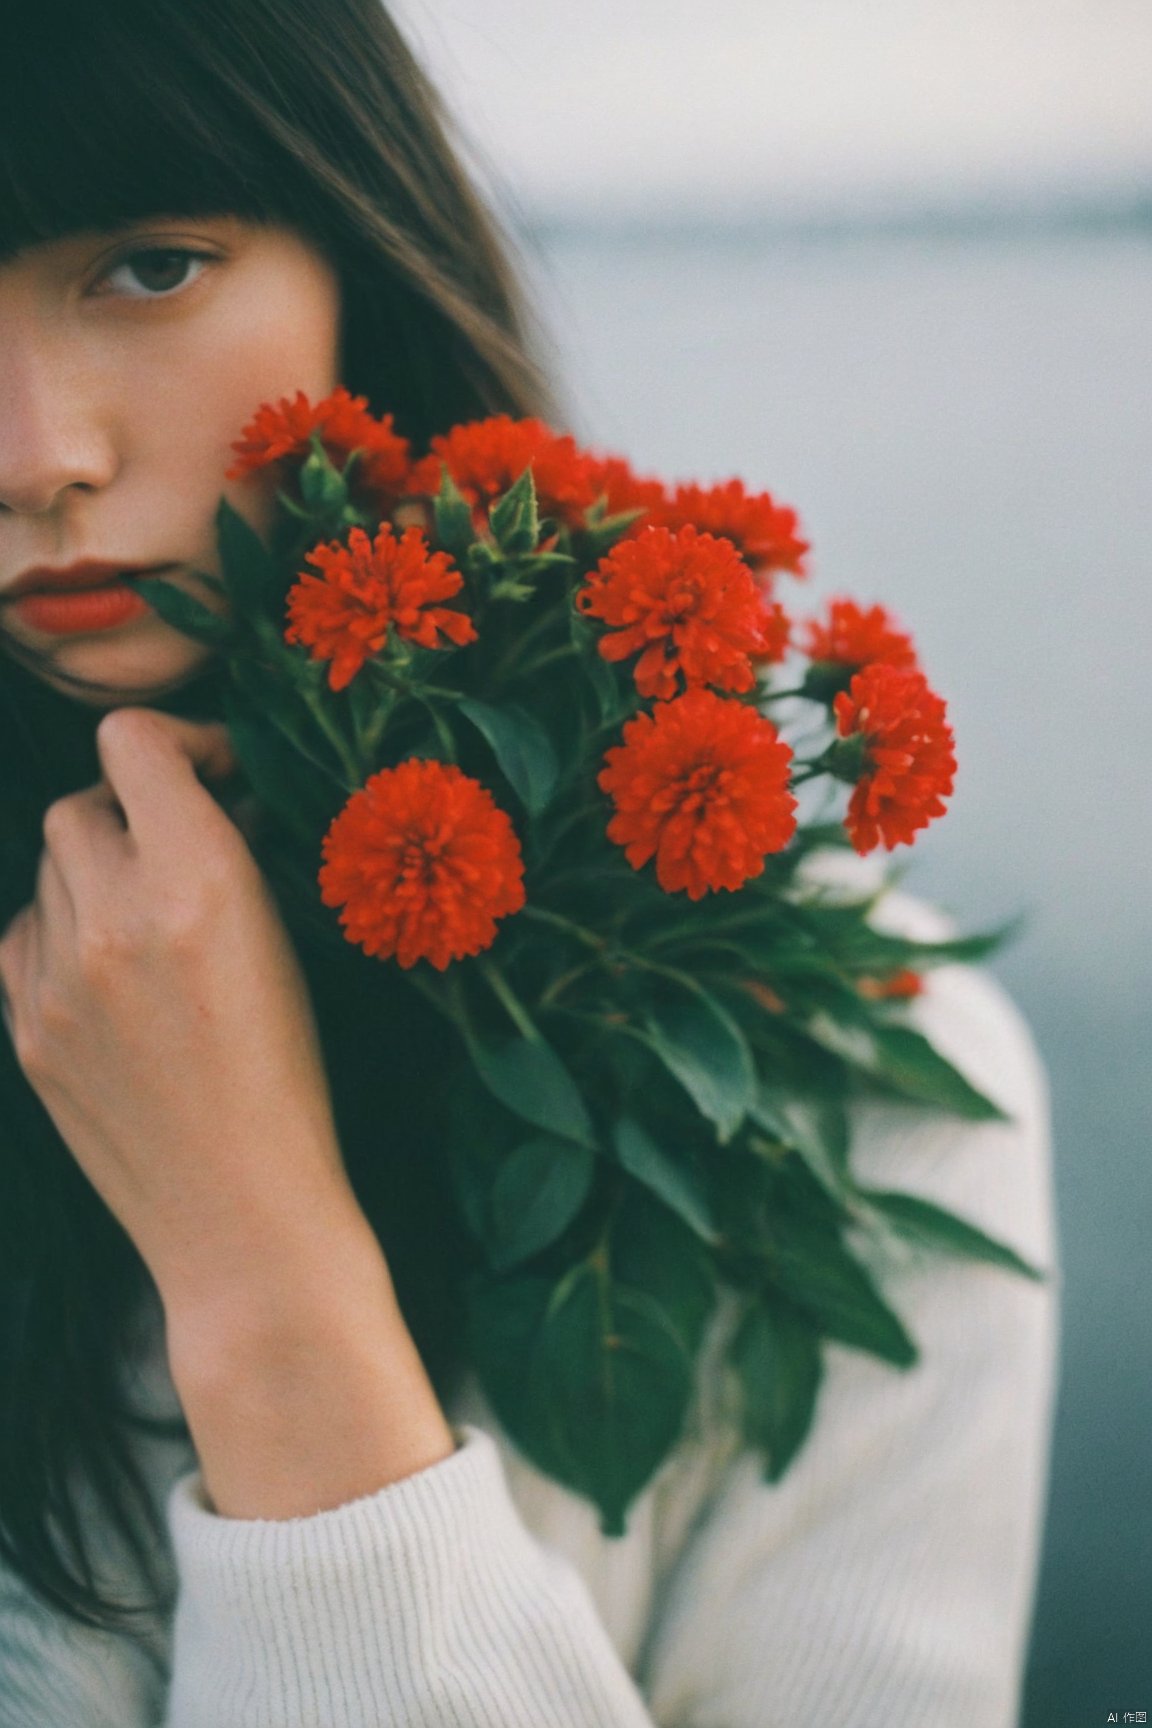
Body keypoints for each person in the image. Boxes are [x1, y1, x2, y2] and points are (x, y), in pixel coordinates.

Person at [0, 2, 1059, 1724]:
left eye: (150, 266)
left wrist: (265, 1275)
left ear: (366, 265)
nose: (38, 454)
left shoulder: (868, 1075)